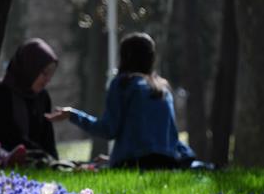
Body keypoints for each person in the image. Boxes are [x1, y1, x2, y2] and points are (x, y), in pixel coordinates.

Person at [46, 32, 195, 170]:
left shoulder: (124, 84)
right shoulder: (163, 89)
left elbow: (108, 130)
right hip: (167, 165)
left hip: (133, 163)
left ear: (125, 57)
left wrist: (72, 115)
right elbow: (166, 140)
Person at [0, 38, 60, 167]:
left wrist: (54, 161)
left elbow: (48, 139)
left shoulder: (42, 97)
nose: (48, 80)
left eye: (50, 74)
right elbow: (7, 135)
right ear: (30, 68)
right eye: (44, 73)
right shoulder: (0, 92)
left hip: (37, 158)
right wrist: (39, 154)